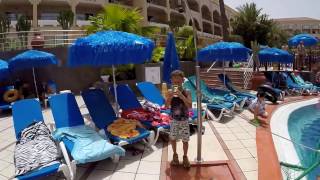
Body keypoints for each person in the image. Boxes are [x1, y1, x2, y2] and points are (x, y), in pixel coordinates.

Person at [165, 70, 192, 169]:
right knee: (172, 138)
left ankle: (185, 157)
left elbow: (189, 106)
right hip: (174, 120)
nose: (176, 84)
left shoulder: (187, 91)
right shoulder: (169, 91)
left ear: (182, 80)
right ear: (171, 81)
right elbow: (166, 106)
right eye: (174, 82)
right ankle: (175, 156)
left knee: (185, 140)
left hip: (184, 120)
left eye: (178, 82)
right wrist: (170, 97)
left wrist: (181, 96)